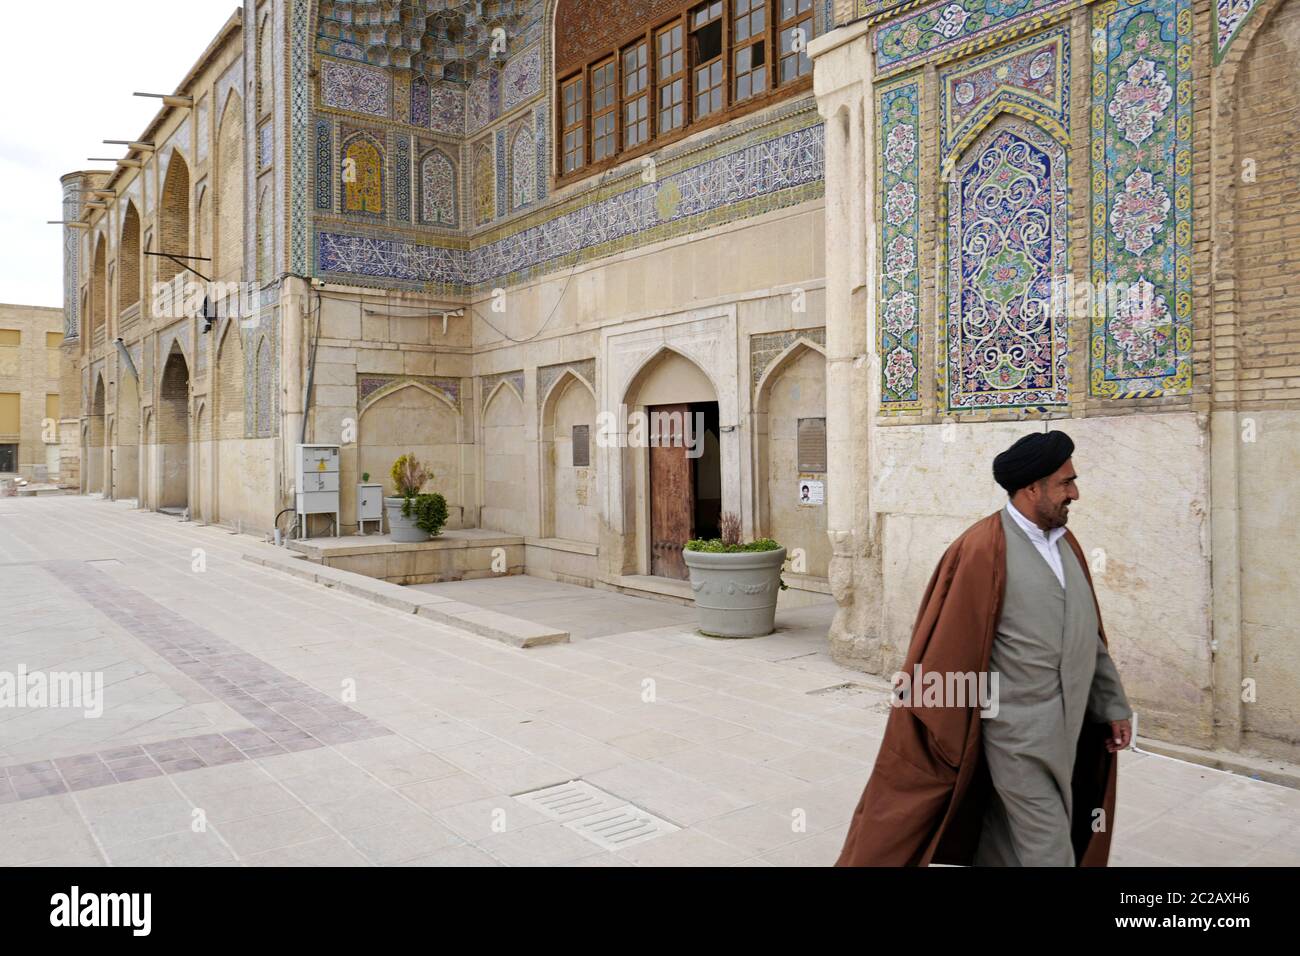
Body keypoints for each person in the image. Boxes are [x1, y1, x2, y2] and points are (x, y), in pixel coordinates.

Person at [836, 430, 1133, 866]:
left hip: (1067, 729)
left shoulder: (1066, 545)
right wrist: (943, 735)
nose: (1076, 493)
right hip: (1015, 732)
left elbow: (1090, 637)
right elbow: (946, 643)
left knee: (1004, 839)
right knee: (1048, 845)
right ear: (1033, 488)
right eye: (1066, 483)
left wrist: (1112, 704)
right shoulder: (981, 549)